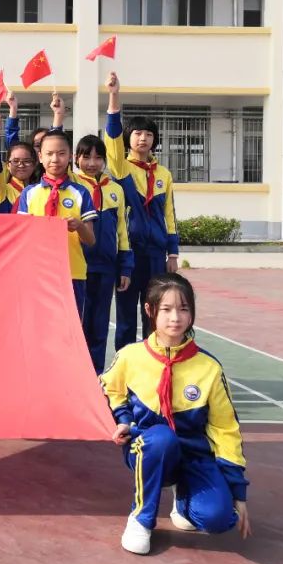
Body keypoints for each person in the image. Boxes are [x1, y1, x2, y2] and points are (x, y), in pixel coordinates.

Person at [100, 273, 251, 555]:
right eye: (167, 309)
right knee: (161, 439)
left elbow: (225, 429)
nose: (175, 318)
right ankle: (141, 518)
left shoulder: (209, 368)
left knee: (219, 518)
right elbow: (110, 389)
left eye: (183, 309)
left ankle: (183, 502)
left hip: (194, 455)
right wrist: (124, 420)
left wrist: (237, 490)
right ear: (150, 310)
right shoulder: (130, 356)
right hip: (148, 447)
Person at [104, 72, 179, 348]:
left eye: (148, 134)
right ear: (128, 138)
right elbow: (112, 139)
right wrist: (114, 96)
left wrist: (173, 253)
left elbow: (169, 214)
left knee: (154, 313)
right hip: (130, 253)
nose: (143, 138)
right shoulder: (121, 168)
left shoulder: (164, 174)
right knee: (125, 315)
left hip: (156, 254)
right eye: (137, 133)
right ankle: (124, 361)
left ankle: (154, 360)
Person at [16, 129, 96, 314]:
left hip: (72, 273)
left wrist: (79, 226)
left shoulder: (81, 193)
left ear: (70, 157)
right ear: (40, 157)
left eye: (61, 153)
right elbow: (20, 237)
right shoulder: (29, 193)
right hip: (37, 272)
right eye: (49, 154)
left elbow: (91, 240)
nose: (55, 159)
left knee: (70, 326)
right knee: (38, 324)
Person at [73, 133, 134, 374]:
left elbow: (122, 230)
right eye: (86, 157)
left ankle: (96, 374)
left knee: (100, 324)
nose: (92, 163)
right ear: (76, 158)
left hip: (106, 267)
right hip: (78, 265)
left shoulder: (115, 189)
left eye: (98, 158)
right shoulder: (73, 186)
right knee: (78, 323)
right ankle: (77, 373)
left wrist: (125, 266)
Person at [0, 94, 65, 213]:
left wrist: (58, 115)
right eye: (15, 161)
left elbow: (55, 144)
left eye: (27, 161)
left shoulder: (44, 189)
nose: (21, 165)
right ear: (8, 165)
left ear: (35, 162)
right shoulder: (2, 190)